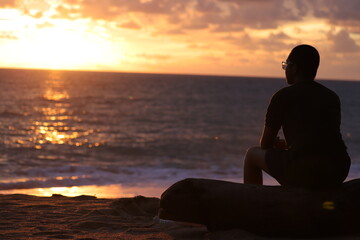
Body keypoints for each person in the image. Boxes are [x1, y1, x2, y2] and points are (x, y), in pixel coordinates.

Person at [243, 44, 351, 189]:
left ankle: (253, 205)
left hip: (304, 171)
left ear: (294, 68)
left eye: (286, 65)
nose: (285, 69)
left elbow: (265, 145)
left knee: (251, 154)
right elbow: (322, 140)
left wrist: (277, 146)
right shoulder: (331, 96)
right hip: (338, 169)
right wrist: (288, 146)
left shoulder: (282, 96)